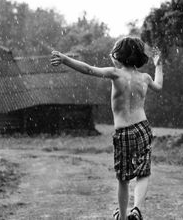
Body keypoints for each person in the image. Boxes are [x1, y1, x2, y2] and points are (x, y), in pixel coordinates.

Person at [50, 36, 163, 220]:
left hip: (124, 131)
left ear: (119, 56)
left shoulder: (115, 73)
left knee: (123, 178)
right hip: (142, 128)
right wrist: (158, 65)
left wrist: (65, 59)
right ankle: (137, 210)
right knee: (143, 173)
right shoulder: (145, 78)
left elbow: (87, 69)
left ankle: (123, 216)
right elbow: (159, 86)